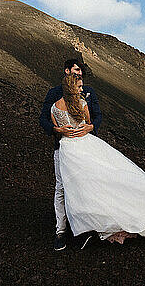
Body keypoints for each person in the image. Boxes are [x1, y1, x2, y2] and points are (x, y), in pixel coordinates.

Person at [49, 73, 145, 248]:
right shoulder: (82, 104)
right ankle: (93, 225)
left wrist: (61, 129)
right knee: (100, 180)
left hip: (68, 150)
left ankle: (87, 227)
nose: (82, 89)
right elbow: (86, 123)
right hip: (85, 145)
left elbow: (58, 129)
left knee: (79, 188)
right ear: (72, 87)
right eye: (79, 86)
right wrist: (85, 127)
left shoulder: (55, 108)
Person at [39, 59, 102, 251]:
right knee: (62, 187)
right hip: (63, 147)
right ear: (67, 71)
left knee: (87, 183)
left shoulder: (88, 92)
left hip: (85, 145)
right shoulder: (54, 93)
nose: (80, 75)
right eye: (76, 71)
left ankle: (88, 226)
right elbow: (43, 118)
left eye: (81, 72)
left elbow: (97, 116)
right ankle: (61, 230)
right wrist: (57, 130)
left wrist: (91, 127)